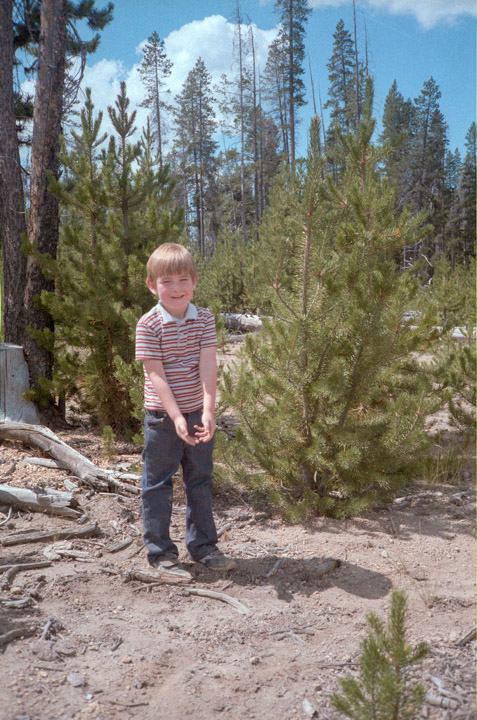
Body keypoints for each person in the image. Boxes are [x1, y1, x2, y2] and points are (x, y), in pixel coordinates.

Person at [135, 242, 235, 581]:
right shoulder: (148, 324)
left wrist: (208, 411)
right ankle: (161, 553)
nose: (176, 289)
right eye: (167, 282)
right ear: (152, 285)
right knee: (158, 484)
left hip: (197, 414)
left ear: (194, 281)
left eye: (182, 280)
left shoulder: (204, 318)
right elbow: (156, 375)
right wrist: (176, 417)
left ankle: (204, 547)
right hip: (163, 418)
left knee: (200, 480)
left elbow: (208, 365)